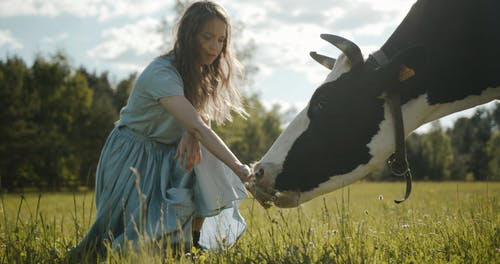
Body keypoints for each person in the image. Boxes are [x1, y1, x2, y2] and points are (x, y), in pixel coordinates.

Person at [72, 0, 252, 259]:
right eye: (207, 37)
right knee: (129, 241)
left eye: (221, 40)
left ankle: (191, 244)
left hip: (167, 154)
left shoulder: (199, 73)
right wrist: (240, 169)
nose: (215, 47)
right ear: (189, 36)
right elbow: (197, 124)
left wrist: (191, 134)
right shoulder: (162, 73)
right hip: (132, 155)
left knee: (205, 159)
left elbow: (199, 122)